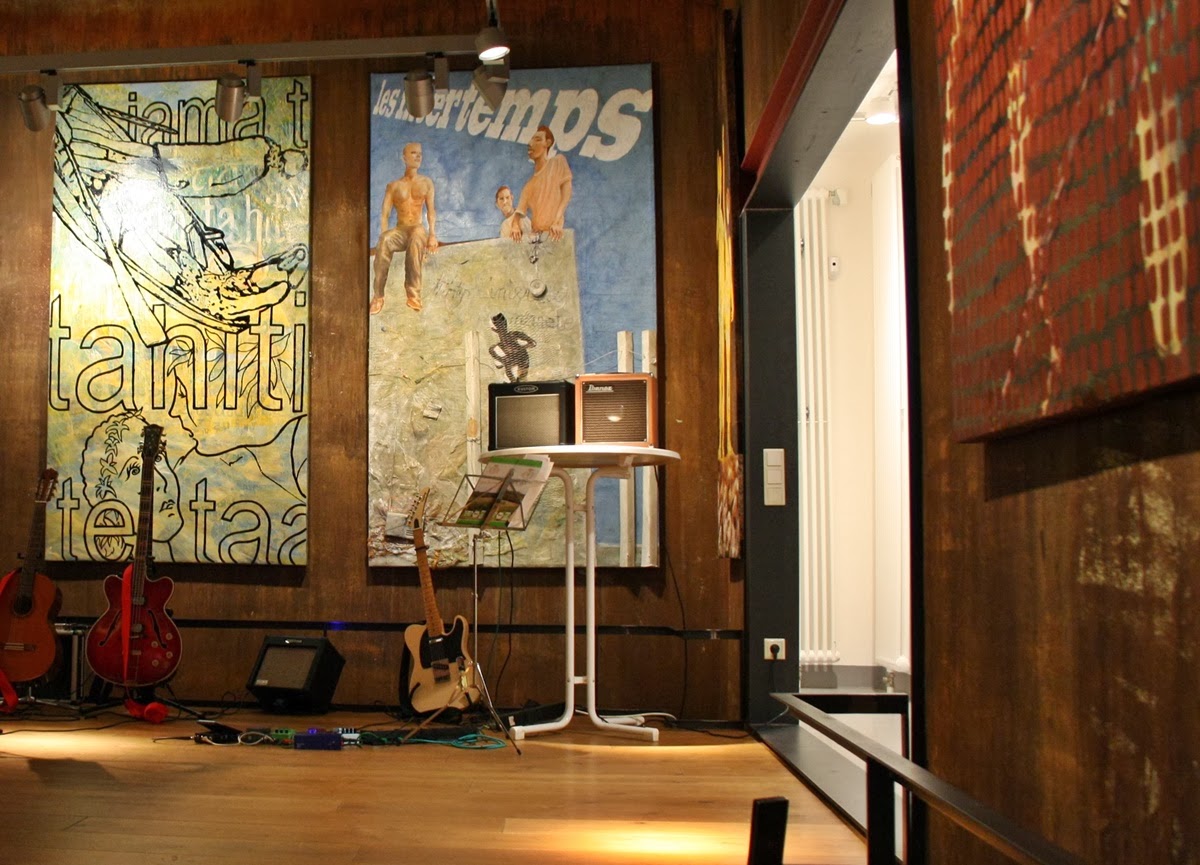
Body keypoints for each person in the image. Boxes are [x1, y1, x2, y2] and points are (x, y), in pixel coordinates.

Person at [371, 142, 439, 314]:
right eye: (413, 153)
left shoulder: (426, 183)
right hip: (400, 230)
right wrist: (383, 237)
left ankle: (413, 294)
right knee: (385, 239)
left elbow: (431, 211)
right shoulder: (393, 186)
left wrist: (432, 235)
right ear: (404, 157)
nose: (418, 156)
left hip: (417, 228)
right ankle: (378, 296)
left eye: (420, 153)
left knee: (416, 236)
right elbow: (385, 215)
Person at [512, 126, 573, 241]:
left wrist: (557, 221)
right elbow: (519, 212)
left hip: (554, 235)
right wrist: (515, 226)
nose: (530, 143)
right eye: (531, 140)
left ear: (547, 143)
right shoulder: (529, 185)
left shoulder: (558, 162)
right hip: (537, 237)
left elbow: (567, 193)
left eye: (538, 140)